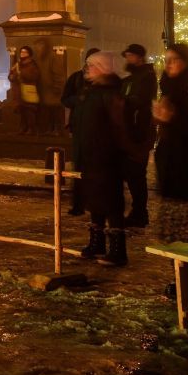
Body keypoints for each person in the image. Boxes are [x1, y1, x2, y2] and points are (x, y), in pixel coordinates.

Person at [152, 43, 188, 293]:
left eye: (175, 59)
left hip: (187, 167)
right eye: (167, 59)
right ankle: (180, 277)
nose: (169, 64)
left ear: (186, 62)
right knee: (175, 232)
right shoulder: (167, 88)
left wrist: (170, 119)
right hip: (170, 167)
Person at [74, 51, 132, 267]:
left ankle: (118, 250)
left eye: (92, 65)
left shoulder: (111, 93)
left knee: (111, 203)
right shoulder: (91, 91)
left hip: (106, 157)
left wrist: (113, 152)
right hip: (91, 155)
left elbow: (118, 127)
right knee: (94, 201)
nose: (88, 68)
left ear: (103, 68)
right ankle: (96, 243)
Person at [120, 43, 157, 228]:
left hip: (140, 133)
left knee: (137, 175)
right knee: (132, 174)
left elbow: (141, 101)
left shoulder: (146, 77)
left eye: (130, 55)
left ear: (139, 57)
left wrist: (125, 102)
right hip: (130, 133)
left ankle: (140, 212)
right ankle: (137, 210)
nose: (127, 59)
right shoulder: (130, 78)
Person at [61, 47, 100, 215]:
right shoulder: (76, 78)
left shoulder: (103, 79)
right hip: (79, 128)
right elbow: (65, 99)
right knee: (79, 166)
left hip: (98, 130)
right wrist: (78, 100)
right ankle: (78, 204)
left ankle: (93, 202)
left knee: (95, 167)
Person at [9, 45, 40, 134]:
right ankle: (23, 127)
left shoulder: (32, 64)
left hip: (28, 90)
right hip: (18, 92)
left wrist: (21, 74)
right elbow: (11, 75)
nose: (22, 53)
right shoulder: (17, 64)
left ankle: (31, 128)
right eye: (21, 52)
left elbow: (35, 76)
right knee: (21, 111)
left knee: (29, 111)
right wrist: (13, 76)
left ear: (29, 54)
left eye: (25, 52)